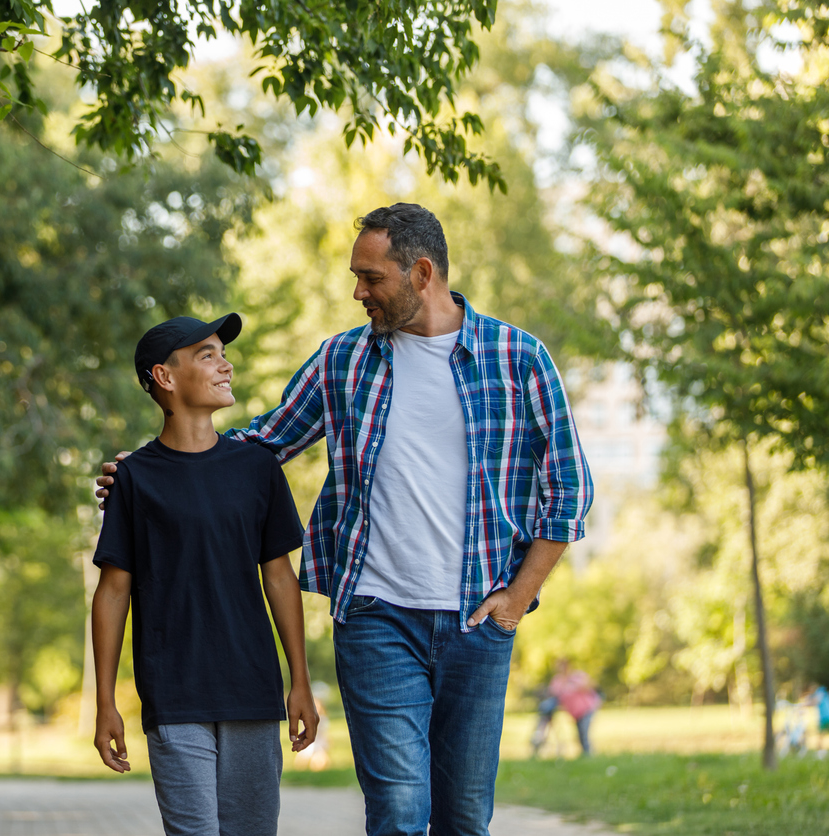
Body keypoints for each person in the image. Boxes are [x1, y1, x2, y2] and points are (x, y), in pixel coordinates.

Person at [99, 203, 593, 836]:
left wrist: (519, 597)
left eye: (371, 278)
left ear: (420, 272)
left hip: (479, 618)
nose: (359, 293)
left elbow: (570, 488)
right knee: (398, 813)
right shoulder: (344, 360)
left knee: (465, 816)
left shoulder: (517, 357)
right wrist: (147, 473)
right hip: (375, 615)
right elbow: (259, 444)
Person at [90, 312, 319, 836]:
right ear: (165, 378)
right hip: (174, 693)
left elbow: (280, 578)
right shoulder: (134, 480)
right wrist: (106, 703)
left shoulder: (257, 469)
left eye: (223, 353)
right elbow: (112, 593)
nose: (226, 365)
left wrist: (299, 680)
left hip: (253, 689)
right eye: (207, 355)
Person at [547, 659, 602, 756]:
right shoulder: (557, 681)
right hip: (574, 713)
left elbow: (592, 685)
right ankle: (585, 754)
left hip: (586, 709)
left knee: (584, 732)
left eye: (564, 666)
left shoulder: (578, 676)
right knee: (579, 734)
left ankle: (588, 754)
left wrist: (575, 683)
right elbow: (554, 695)